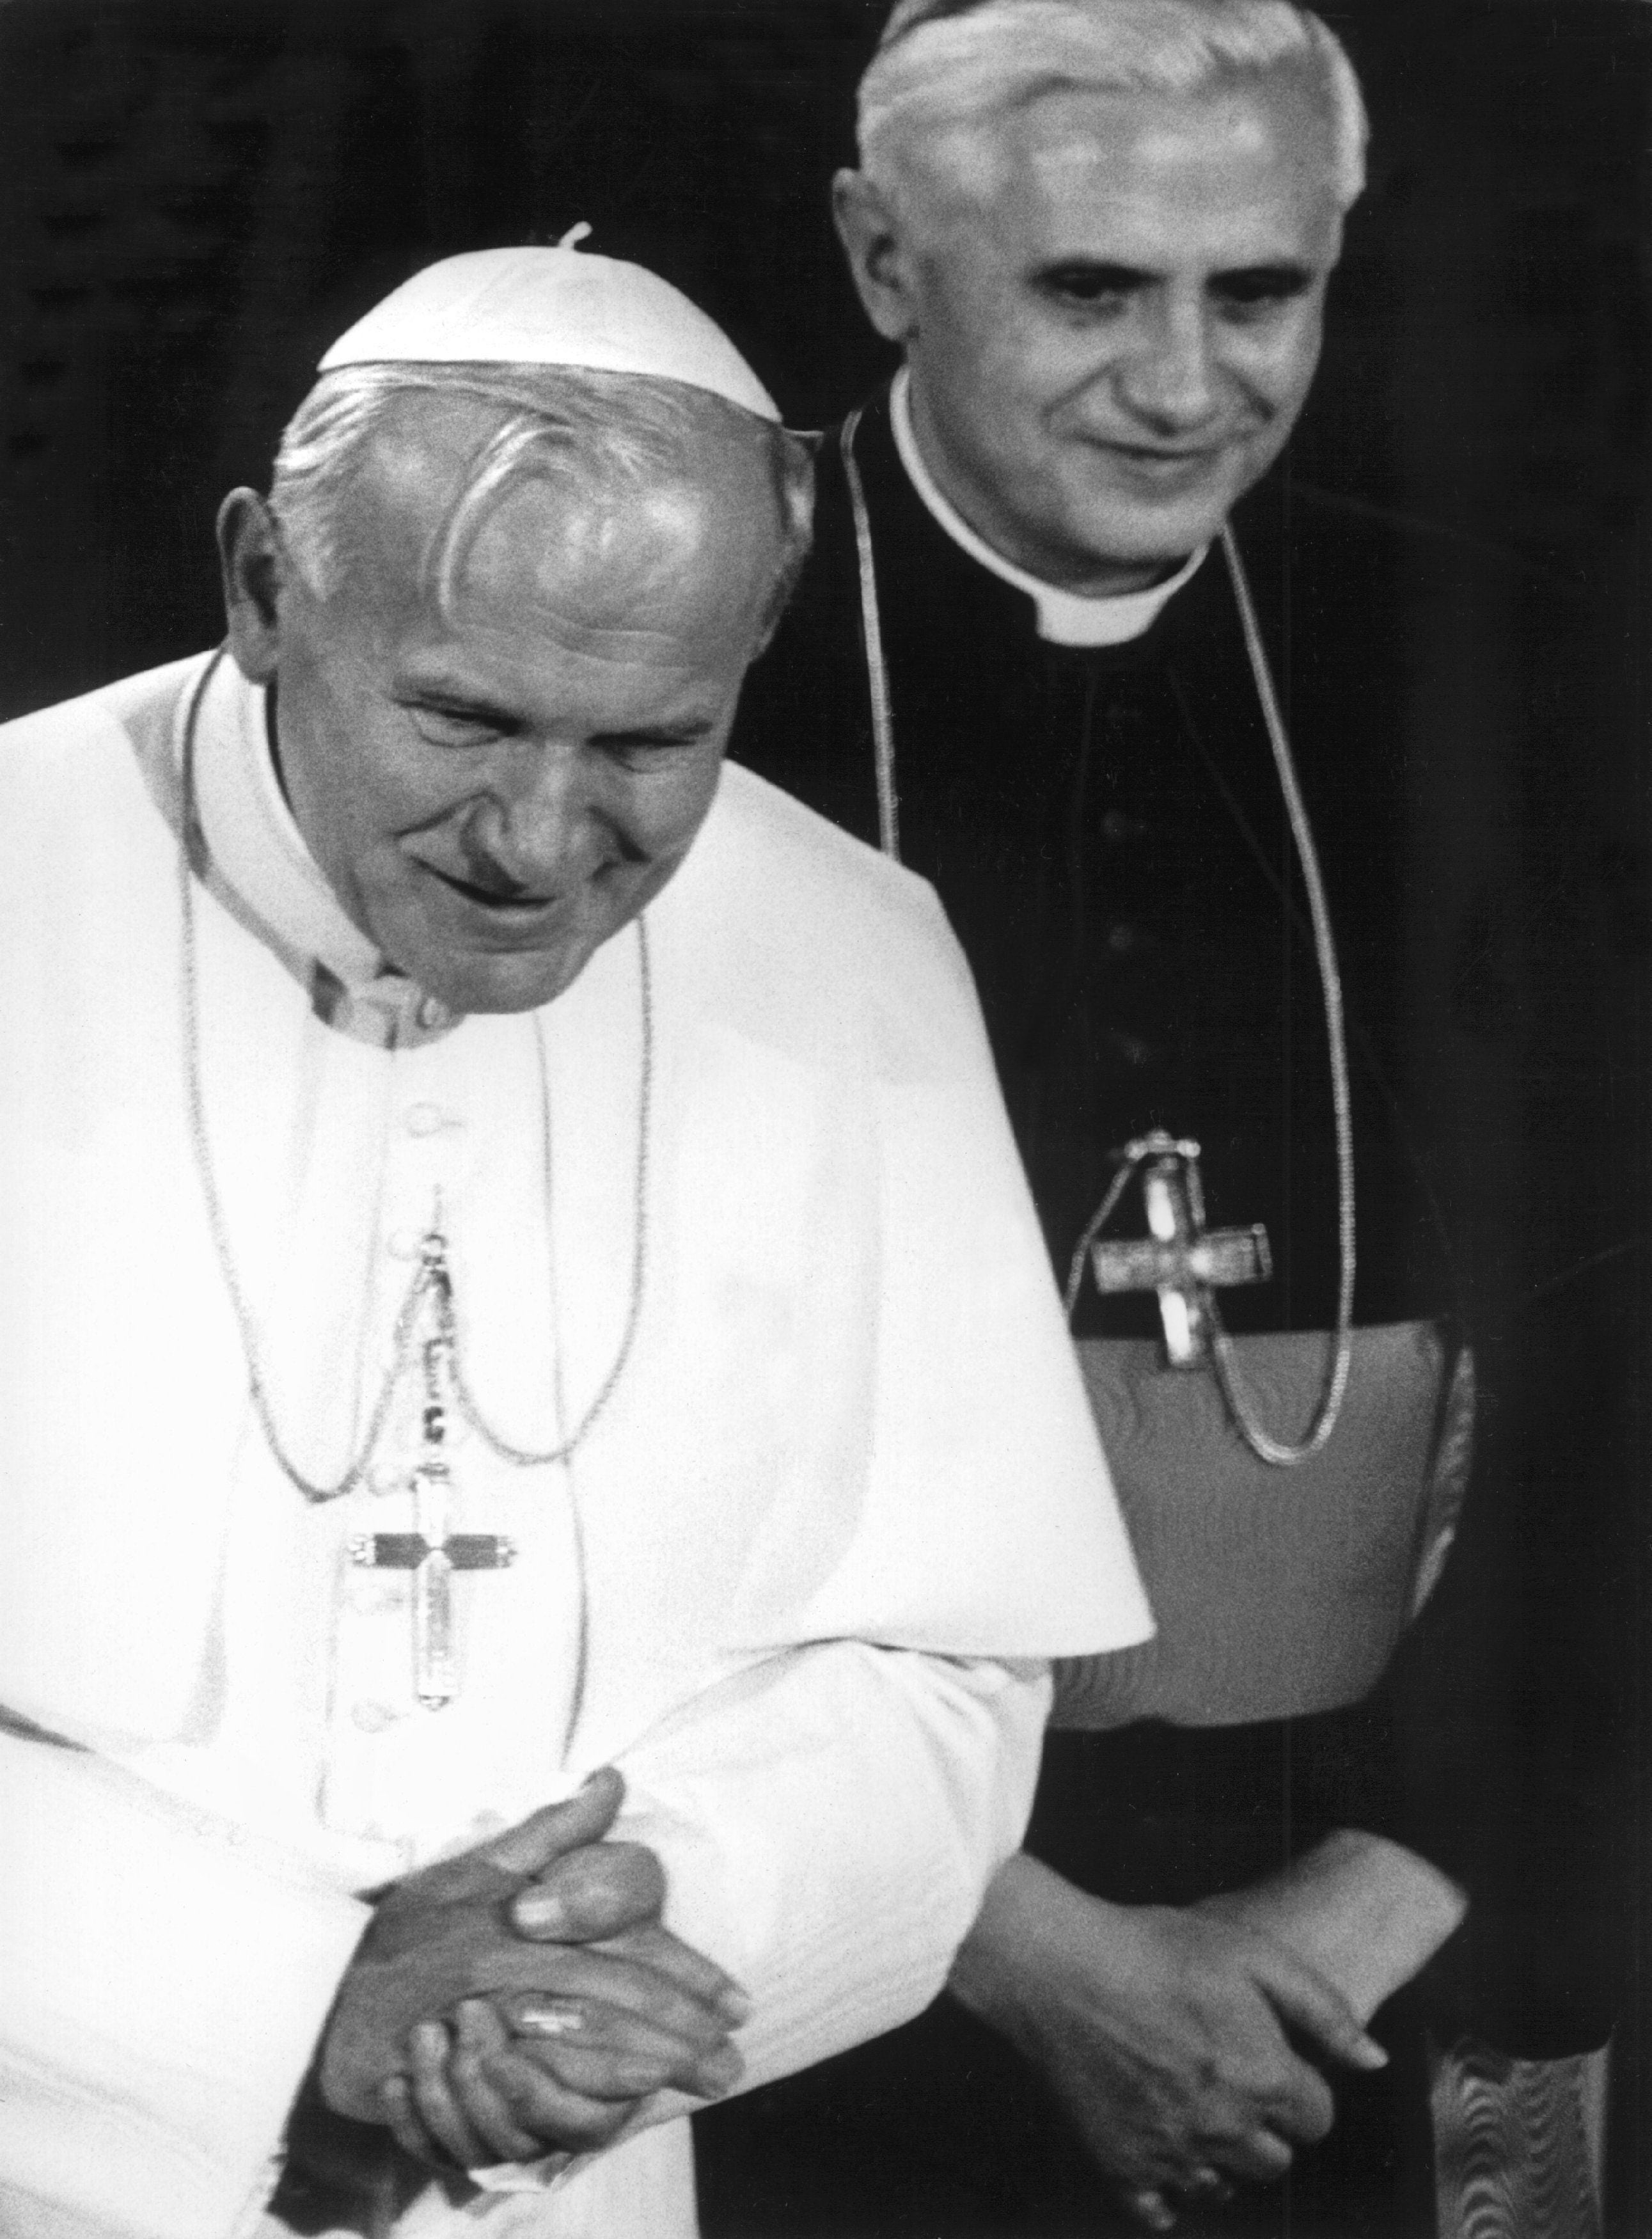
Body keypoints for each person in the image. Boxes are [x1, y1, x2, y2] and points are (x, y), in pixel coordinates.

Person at [0, 240, 1163, 2239]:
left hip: (577, 2174)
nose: (541, 844)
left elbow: (952, 1668)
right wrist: (283, 2006)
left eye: (647, 748)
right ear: (266, 588)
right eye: (461, 717)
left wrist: (638, 1928)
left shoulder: (850, 952)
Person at [702, 3, 1639, 2233]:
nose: (1186, 381)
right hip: (812, 1928)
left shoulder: (1489, 662)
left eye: (1263, 292)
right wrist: (1017, 1941)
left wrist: (1382, 1890)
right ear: (879, 256)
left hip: (1386, 1931)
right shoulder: (683, 664)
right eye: (1090, 288)